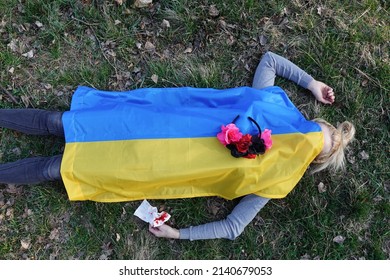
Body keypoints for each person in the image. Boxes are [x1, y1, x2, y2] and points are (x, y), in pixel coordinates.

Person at [0, 52, 355, 241]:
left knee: (54, 168)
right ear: (310, 123)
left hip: (142, 165)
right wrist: (311, 83)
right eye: (312, 130)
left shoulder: (275, 182)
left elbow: (233, 228)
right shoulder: (272, 107)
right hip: (145, 123)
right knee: (57, 122)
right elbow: (271, 60)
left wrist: (178, 234)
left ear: (312, 161)